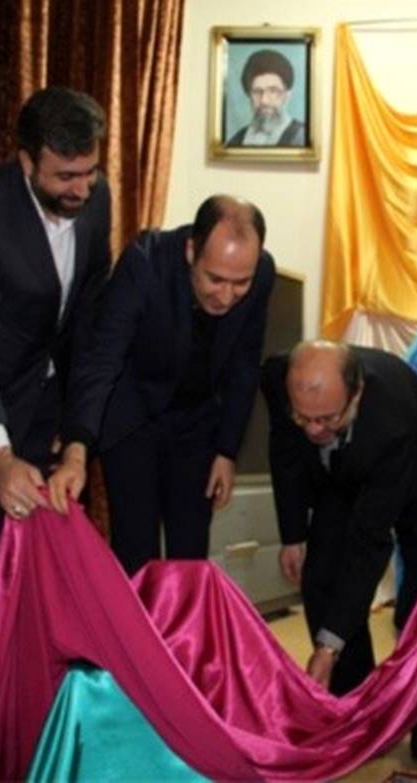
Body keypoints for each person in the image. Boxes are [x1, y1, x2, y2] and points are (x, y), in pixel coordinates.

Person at [0, 86, 111, 681]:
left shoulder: (98, 199)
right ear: (27, 160)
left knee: (48, 571)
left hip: (49, 404)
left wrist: (78, 441)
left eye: (90, 172)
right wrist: (0, 457)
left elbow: (90, 329)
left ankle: (41, 706)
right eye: (65, 176)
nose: (81, 189)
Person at [47, 196, 275, 575]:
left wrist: (226, 450)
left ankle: (184, 619)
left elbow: (245, 364)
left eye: (241, 284)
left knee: (191, 552)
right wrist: (77, 446)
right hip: (134, 416)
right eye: (215, 279)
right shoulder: (145, 262)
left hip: (197, 422)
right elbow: (102, 357)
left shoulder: (263, 273)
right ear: (191, 250)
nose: (226, 296)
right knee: (138, 551)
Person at [260, 341, 417, 766]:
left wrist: (326, 648)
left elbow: (369, 543)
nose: (314, 430)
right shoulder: (279, 379)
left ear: (357, 393)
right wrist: (293, 535)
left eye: (327, 418)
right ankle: (358, 716)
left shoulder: (391, 418)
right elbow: (286, 451)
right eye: (304, 417)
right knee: (320, 578)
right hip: (342, 474)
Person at [226, 48, 307, 147]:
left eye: (273, 91)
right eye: (257, 92)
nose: (264, 101)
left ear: (287, 95)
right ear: (249, 96)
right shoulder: (236, 141)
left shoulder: (303, 137)